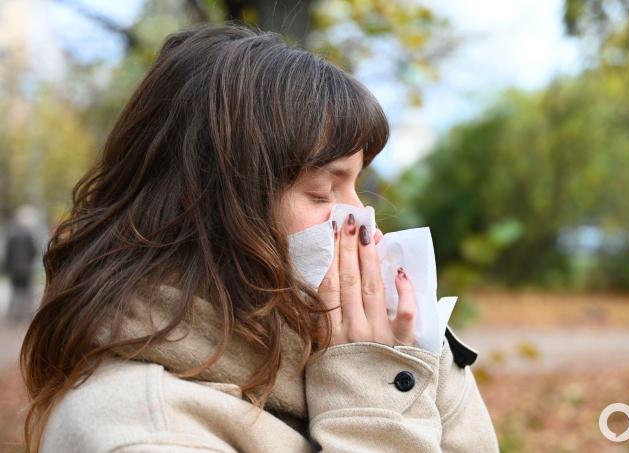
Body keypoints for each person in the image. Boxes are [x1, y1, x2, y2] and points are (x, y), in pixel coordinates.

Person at [19, 22, 499, 452]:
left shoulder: (386, 341)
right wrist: (371, 401)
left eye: (356, 185)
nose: (362, 217)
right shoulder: (137, 427)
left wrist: (408, 361)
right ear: (205, 203)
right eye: (321, 191)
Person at [4, 205, 40, 323]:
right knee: (26, 292)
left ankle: (13, 315)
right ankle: (25, 315)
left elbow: (8, 253)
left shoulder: (12, 235)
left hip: (14, 269)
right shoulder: (29, 235)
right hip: (26, 269)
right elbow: (34, 251)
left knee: (15, 291)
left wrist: (7, 267)